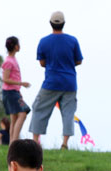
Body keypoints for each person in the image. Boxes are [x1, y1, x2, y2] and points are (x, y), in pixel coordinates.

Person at [29, 11, 83, 150]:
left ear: (50, 24)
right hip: (70, 83)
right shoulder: (73, 40)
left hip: (51, 82)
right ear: (64, 23)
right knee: (68, 113)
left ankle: (35, 142)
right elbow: (78, 61)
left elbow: (41, 63)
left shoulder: (44, 41)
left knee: (39, 108)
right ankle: (65, 143)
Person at [2, 36, 31, 142]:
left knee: (14, 118)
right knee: (23, 113)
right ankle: (14, 141)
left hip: (14, 92)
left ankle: (12, 143)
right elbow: (5, 79)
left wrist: (18, 90)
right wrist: (21, 83)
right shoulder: (9, 61)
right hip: (9, 93)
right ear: (15, 46)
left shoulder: (12, 59)